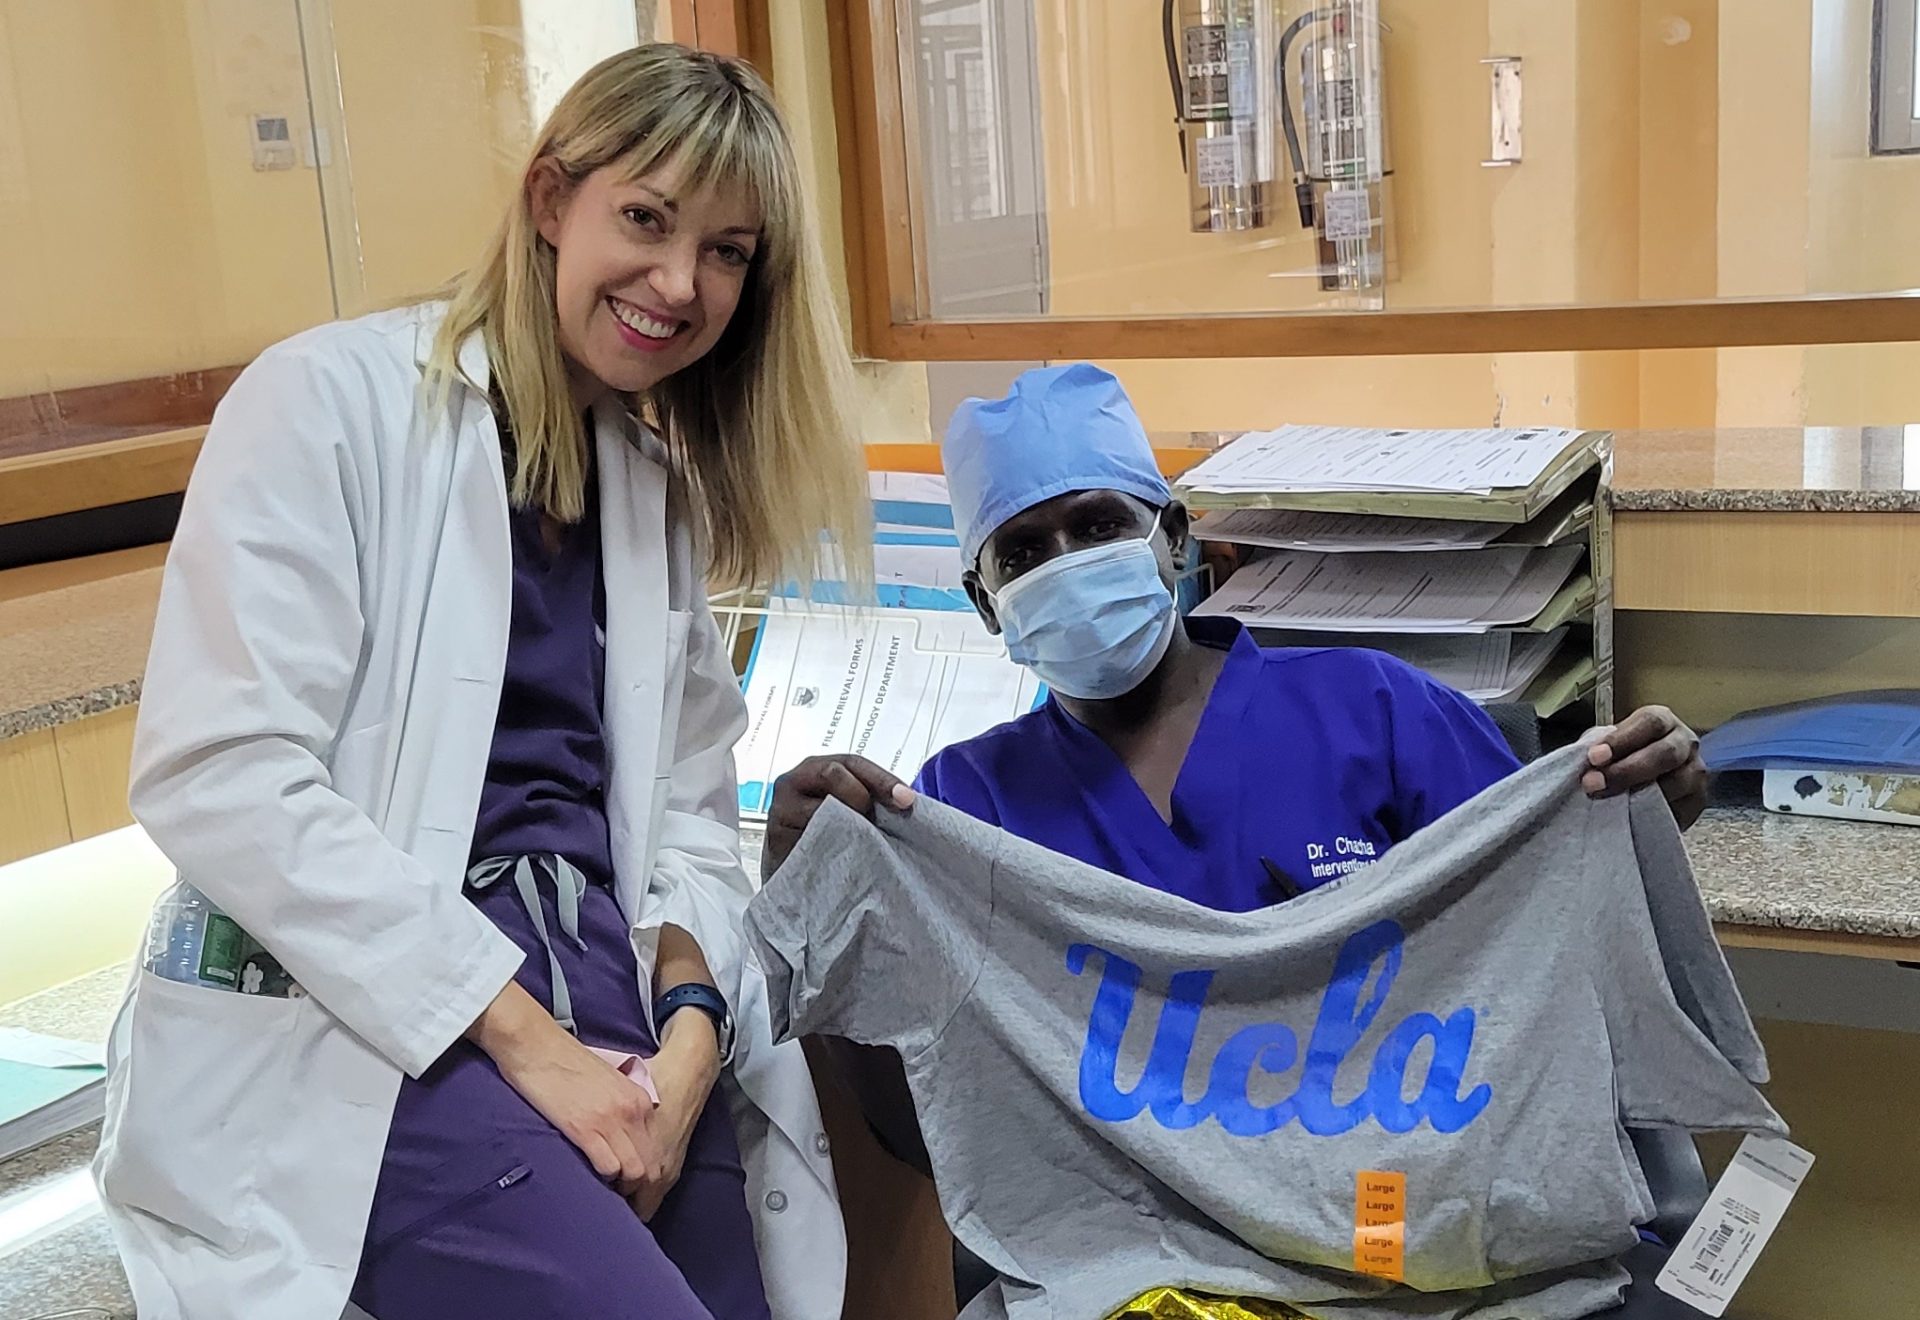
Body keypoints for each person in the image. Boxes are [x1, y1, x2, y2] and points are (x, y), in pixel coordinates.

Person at [96, 46, 865, 1320]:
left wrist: (690, 1038)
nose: (681, 283)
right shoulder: (326, 404)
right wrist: (530, 1045)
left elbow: (687, 819)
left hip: (612, 995)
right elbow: (217, 774)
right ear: (551, 198)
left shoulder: (650, 489)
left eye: (726, 251)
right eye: (647, 219)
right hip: (381, 1021)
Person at [760, 363, 1710, 1305]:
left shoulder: (1373, 711)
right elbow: (927, 1120)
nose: (1067, 565)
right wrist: (810, 894)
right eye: (1024, 553)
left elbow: (1550, 945)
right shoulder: (963, 804)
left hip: (1403, 1226)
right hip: (1146, 1260)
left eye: (1098, 527)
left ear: (1173, 538)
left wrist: (1637, 820)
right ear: (984, 601)